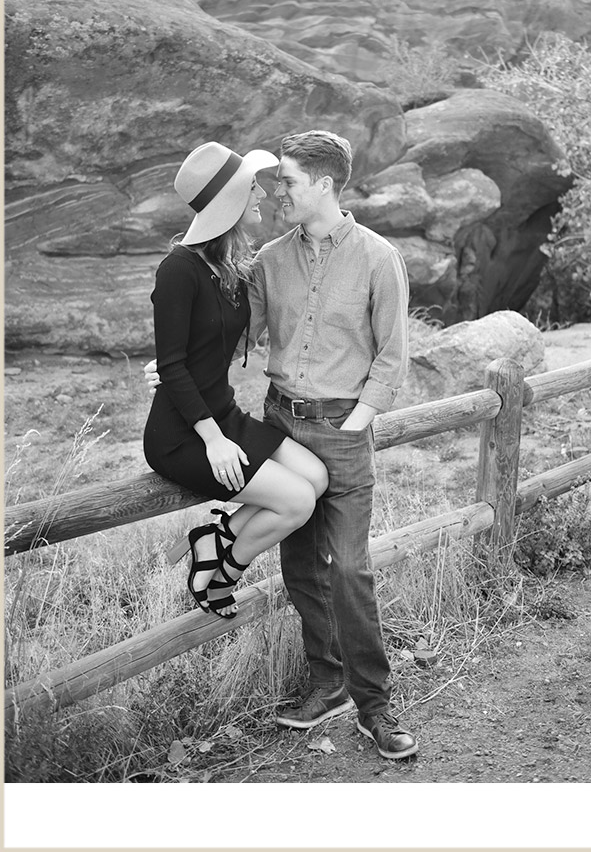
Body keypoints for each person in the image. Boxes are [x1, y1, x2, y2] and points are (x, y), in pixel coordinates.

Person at [252, 129, 416, 760]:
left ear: (323, 184)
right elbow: (241, 335)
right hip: (282, 428)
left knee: (348, 568)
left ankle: (375, 706)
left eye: (286, 181)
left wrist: (356, 422)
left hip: (343, 431)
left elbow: (392, 355)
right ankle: (328, 683)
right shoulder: (269, 259)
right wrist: (175, 365)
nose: (276, 193)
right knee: (299, 566)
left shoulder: (378, 258)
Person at [146, 141, 329, 619]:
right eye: (252, 189)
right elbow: (173, 363)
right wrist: (212, 440)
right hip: (182, 435)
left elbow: (197, 351)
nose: (262, 196)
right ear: (228, 200)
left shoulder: (225, 268)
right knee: (296, 502)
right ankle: (220, 574)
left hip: (221, 413)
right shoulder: (177, 271)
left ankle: (214, 537)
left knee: (317, 476)